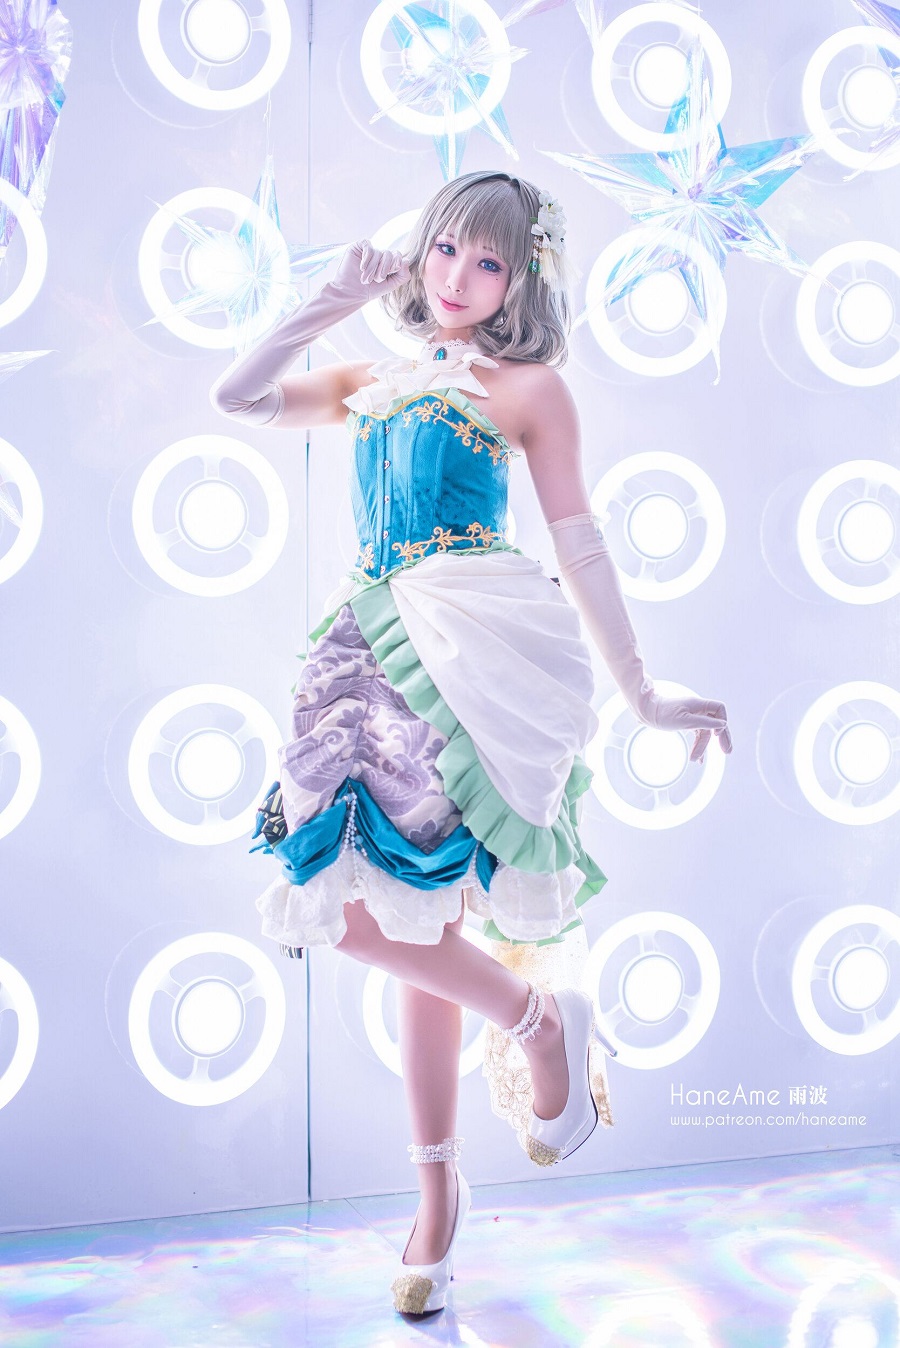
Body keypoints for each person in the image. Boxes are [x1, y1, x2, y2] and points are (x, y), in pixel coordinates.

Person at [209, 170, 732, 1317]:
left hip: (468, 652)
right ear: (418, 249)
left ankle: (448, 1186)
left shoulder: (531, 389)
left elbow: (582, 545)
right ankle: (521, 1049)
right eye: (444, 248)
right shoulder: (373, 379)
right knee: (374, 914)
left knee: (407, 921)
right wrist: (326, 300)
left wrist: (644, 693)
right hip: (359, 652)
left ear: (520, 279)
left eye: (488, 261)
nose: (457, 277)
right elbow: (239, 395)